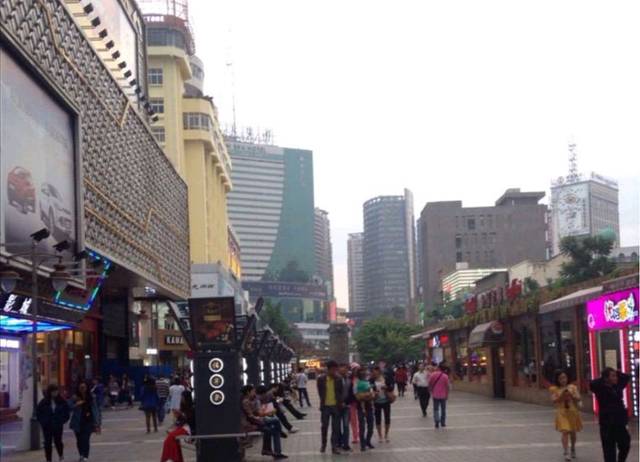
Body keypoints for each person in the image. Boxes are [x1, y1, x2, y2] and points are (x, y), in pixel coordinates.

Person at [590, 368, 631, 462]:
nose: (616, 378)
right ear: (605, 378)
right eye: (613, 376)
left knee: (625, 444)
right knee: (609, 451)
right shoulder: (600, 388)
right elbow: (593, 384)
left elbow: (626, 377)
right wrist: (604, 378)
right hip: (607, 424)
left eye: (616, 376)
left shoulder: (618, 386)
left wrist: (616, 372)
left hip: (619, 422)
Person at [240, 384, 288, 459]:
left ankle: (275, 452)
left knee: (275, 427)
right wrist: (263, 415)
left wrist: (264, 413)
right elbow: (251, 416)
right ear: (248, 392)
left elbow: (257, 411)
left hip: (256, 420)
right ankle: (271, 450)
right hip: (251, 424)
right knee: (274, 423)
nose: (254, 392)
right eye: (253, 391)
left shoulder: (253, 399)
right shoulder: (246, 401)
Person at [549, 370, 583, 461]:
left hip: (572, 412)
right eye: (560, 378)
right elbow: (554, 400)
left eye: (564, 377)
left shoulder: (573, 387)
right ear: (557, 379)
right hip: (562, 412)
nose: (563, 380)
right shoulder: (554, 389)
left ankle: (573, 448)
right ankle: (566, 452)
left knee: (573, 432)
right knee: (565, 431)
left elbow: (579, 398)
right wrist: (562, 396)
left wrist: (571, 395)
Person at [36, 384, 71, 462]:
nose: (55, 393)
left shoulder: (61, 401)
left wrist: (62, 420)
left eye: (56, 391)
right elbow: (38, 413)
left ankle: (61, 456)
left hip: (57, 425)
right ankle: (48, 459)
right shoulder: (44, 402)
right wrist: (43, 422)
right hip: (47, 426)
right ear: (50, 392)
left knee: (58, 441)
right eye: (53, 391)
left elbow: (66, 412)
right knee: (47, 443)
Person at [317, 360, 344, 455]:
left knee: (335, 428)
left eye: (336, 369)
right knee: (324, 426)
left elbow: (341, 392)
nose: (335, 371)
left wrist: (340, 402)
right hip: (325, 406)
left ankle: (334, 446)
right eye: (333, 369)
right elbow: (320, 392)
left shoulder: (339, 379)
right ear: (328, 369)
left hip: (336, 406)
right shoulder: (321, 379)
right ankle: (323, 444)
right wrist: (322, 402)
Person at [69, 381, 101, 462]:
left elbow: (96, 410)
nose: (82, 389)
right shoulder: (75, 397)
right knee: (79, 440)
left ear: (87, 388)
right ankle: (81, 455)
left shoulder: (91, 397)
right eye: (81, 388)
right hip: (78, 421)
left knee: (86, 439)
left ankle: (85, 456)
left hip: (88, 421)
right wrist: (76, 404)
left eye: (84, 387)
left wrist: (97, 423)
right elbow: (69, 407)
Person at [370, 366, 393, 443]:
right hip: (377, 401)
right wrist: (373, 392)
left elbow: (391, 387)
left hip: (386, 400)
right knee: (378, 419)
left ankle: (386, 434)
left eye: (375, 371)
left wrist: (386, 387)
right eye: (373, 372)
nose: (374, 373)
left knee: (387, 418)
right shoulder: (371, 380)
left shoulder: (385, 378)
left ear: (379, 371)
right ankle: (380, 436)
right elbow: (370, 389)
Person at [354, 368, 375, 451]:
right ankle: (362, 444)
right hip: (360, 407)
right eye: (361, 373)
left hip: (369, 407)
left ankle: (368, 441)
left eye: (364, 372)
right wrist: (367, 395)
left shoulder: (367, 382)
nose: (363, 374)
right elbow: (357, 396)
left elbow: (372, 394)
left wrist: (370, 395)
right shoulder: (356, 384)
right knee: (362, 427)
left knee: (371, 426)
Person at [428, 363, 450, 429]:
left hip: (435, 395)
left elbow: (430, 383)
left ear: (439, 368)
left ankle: (436, 422)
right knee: (443, 409)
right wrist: (447, 395)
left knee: (436, 409)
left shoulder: (433, 375)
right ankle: (443, 422)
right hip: (443, 395)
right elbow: (447, 386)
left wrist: (430, 390)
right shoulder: (445, 376)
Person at [338, 363, 353, 451]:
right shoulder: (336, 380)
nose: (344, 371)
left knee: (346, 426)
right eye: (342, 369)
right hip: (337, 406)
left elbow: (351, 394)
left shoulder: (349, 380)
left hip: (346, 406)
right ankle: (339, 442)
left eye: (345, 369)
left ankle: (345, 444)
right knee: (337, 426)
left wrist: (346, 402)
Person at [348, 363, 361, 448]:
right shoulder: (349, 379)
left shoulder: (362, 378)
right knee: (353, 420)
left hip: (361, 401)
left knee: (361, 419)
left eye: (358, 369)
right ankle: (355, 436)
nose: (356, 371)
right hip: (352, 402)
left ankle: (360, 434)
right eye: (355, 369)